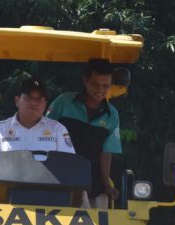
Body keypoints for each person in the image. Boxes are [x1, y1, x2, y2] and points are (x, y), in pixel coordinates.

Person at [0, 77, 75, 192]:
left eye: (39, 99)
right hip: (6, 199)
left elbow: (70, 164)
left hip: (49, 198)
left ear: (45, 104)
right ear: (17, 100)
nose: (34, 103)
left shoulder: (58, 130)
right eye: (28, 98)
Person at [47, 59, 121, 208]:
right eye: (96, 84)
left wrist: (106, 184)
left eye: (105, 86)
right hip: (63, 180)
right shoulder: (63, 103)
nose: (100, 90)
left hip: (95, 184)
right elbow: (44, 136)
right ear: (85, 81)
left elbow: (106, 152)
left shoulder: (112, 114)